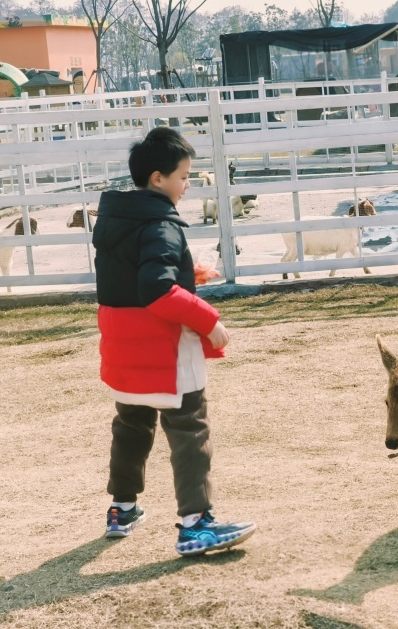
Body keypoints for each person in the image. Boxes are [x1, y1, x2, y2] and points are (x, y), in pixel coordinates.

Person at [93, 127, 256, 556]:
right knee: (189, 427)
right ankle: (196, 524)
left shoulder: (116, 219)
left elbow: (133, 280)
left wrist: (189, 276)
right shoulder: (161, 225)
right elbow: (158, 290)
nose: (187, 185)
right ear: (157, 179)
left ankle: (122, 508)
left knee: (131, 424)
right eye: (183, 176)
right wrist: (209, 320)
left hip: (124, 349)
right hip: (162, 349)